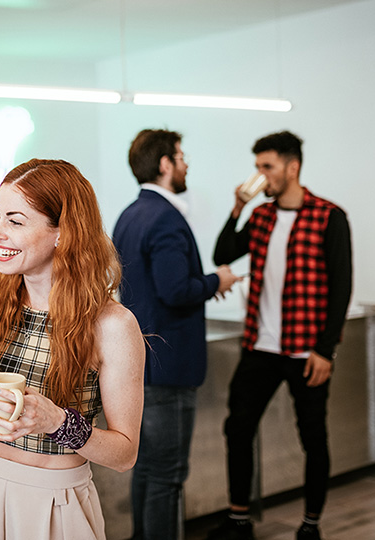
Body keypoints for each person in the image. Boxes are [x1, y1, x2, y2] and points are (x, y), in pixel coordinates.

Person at [0, 159, 145, 540]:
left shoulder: (112, 325)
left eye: (15, 221)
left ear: (62, 232)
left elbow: (125, 454)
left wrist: (58, 423)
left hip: (55, 501)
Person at [208, 131, 353, 540]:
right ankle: (239, 519)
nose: (260, 175)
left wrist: (326, 351)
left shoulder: (329, 216)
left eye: (266, 167)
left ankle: (310, 525)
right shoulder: (261, 216)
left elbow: (342, 286)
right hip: (260, 347)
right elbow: (222, 255)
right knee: (238, 428)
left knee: (312, 436)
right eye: (257, 167)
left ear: (293, 167)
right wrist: (238, 207)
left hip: (307, 352)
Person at [113, 129, 240, 540]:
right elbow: (174, 289)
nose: (186, 164)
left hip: (139, 363)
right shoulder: (166, 217)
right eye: (181, 156)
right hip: (169, 365)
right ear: (165, 164)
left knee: (146, 465)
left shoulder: (129, 215)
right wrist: (215, 280)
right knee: (168, 476)